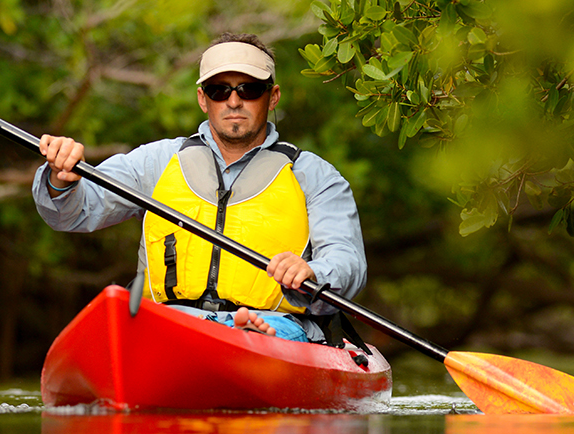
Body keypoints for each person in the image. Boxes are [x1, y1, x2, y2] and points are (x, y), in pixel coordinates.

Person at [31, 33, 365, 343]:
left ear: (272, 96)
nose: (234, 101)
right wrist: (61, 177)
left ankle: (249, 338)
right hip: (170, 319)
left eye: (248, 89)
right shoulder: (156, 161)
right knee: (131, 318)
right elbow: (72, 214)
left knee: (263, 330)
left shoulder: (315, 176)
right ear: (203, 99)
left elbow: (347, 261)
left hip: (276, 325)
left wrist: (312, 272)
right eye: (220, 90)